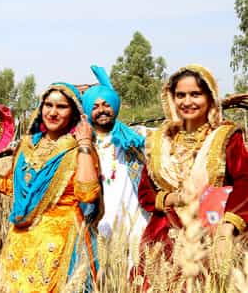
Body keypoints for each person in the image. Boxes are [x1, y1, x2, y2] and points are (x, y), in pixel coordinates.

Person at [0, 83, 101, 292]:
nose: (52, 112)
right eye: (48, 105)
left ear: (73, 113)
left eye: (61, 107)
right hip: (20, 241)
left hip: (58, 245)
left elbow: (88, 194)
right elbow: (11, 187)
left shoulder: (78, 150)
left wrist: (84, 144)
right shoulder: (26, 146)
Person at [137, 65, 248, 271]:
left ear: (209, 98)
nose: (187, 102)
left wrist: (228, 228)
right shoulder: (159, 141)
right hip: (164, 240)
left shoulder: (226, 137)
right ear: (171, 98)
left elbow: (245, 184)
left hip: (213, 236)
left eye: (195, 94)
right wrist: (176, 199)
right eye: (180, 95)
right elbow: (145, 191)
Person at [81, 65, 148, 246]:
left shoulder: (135, 137)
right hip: (100, 223)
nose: (101, 110)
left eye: (106, 104)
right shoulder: (83, 145)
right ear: (87, 111)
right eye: (94, 106)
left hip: (136, 222)